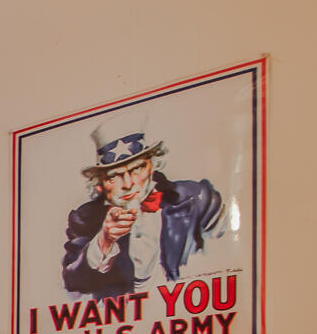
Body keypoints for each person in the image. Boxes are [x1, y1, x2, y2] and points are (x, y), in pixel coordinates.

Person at [60, 119, 226, 299]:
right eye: (113, 177)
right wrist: (104, 240)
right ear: (99, 184)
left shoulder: (197, 199)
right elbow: (73, 283)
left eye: (137, 168)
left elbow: (223, 261)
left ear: (152, 166)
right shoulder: (85, 218)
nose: (128, 184)